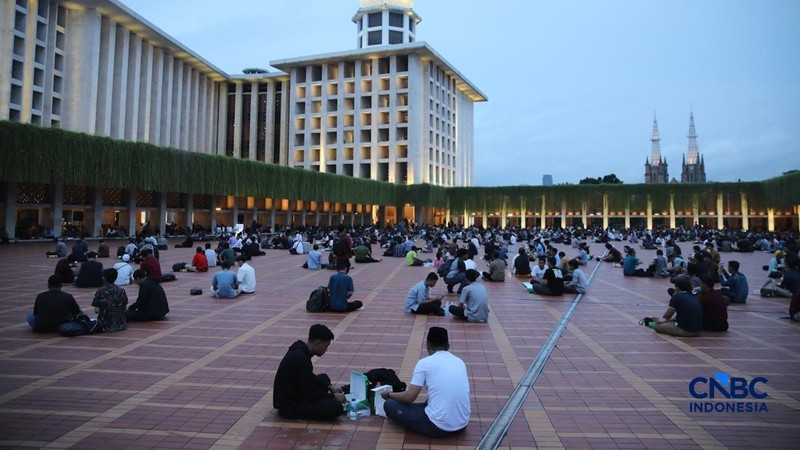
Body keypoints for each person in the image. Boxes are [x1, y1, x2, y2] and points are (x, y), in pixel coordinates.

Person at [382, 327, 470, 438]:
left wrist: (389, 395)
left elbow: (409, 397)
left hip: (438, 427)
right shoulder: (459, 362)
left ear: (427, 345)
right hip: (462, 424)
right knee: (433, 399)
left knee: (389, 404)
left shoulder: (424, 363)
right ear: (448, 346)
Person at [273, 324, 345, 421]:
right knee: (336, 407)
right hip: (289, 405)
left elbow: (309, 376)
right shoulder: (301, 358)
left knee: (324, 378)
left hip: (297, 392)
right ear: (317, 343)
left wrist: (329, 387)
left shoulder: (301, 351)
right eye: (325, 346)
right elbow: (310, 393)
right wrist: (333, 397)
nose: (326, 350)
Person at [91, 268, 128, 333]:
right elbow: (125, 308)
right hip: (121, 324)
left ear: (104, 278)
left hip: (105, 325)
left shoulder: (100, 291)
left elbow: (96, 310)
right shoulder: (121, 291)